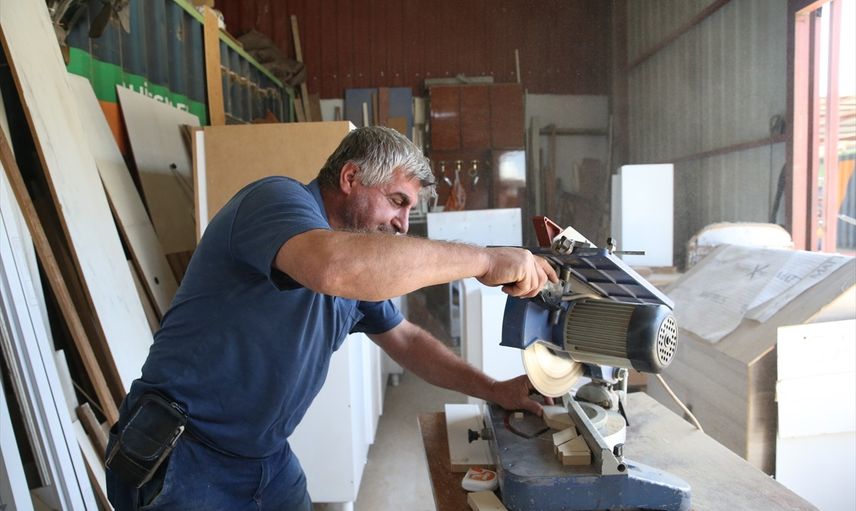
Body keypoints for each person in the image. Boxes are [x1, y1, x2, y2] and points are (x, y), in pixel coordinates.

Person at [105, 126, 557, 510]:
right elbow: (332, 267)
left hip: (265, 458)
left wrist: (494, 389)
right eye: (397, 201)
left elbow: (406, 340)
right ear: (350, 177)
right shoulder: (275, 200)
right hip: (185, 452)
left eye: (409, 210)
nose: (403, 223)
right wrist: (484, 259)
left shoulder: (361, 263)